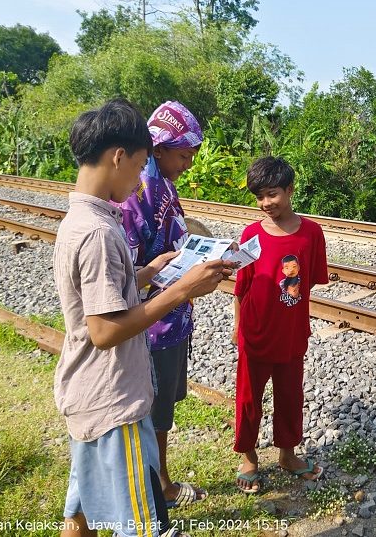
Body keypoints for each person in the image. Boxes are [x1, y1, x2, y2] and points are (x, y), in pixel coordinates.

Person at [54, 98, 235, 537]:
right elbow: (104, 330)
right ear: (119, 157)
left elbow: (106, 297)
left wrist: (150, 272)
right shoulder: (98, 232)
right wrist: (180, 290)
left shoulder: (83, 218)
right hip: (113, 399)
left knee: (80, 514)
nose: (140, 178)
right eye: (138, 166)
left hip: (87, 393)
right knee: (142, 525)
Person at [118, 100, 207, 509]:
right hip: (152, 323)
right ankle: (158, 490)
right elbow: (129, 274)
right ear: (158, 148)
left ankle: (159, 483)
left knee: (163, 408)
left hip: (171, 316)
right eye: (183, 154)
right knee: (153, 412)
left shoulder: (161, 186)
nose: (188, 162)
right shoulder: (135, 196)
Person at [230, 156, 328, 493]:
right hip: (255, 333)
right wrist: (237, 325)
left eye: (272, 194)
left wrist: (287, 306)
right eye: (259, 197)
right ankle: (248, 457)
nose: (265, 204)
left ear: (289, 189)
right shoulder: (251, 233)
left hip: (291, 334)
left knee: (290, 396)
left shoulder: (312, 233)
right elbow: (241, 286)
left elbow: (308, 280)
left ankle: (288, 454)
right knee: (248, 398)